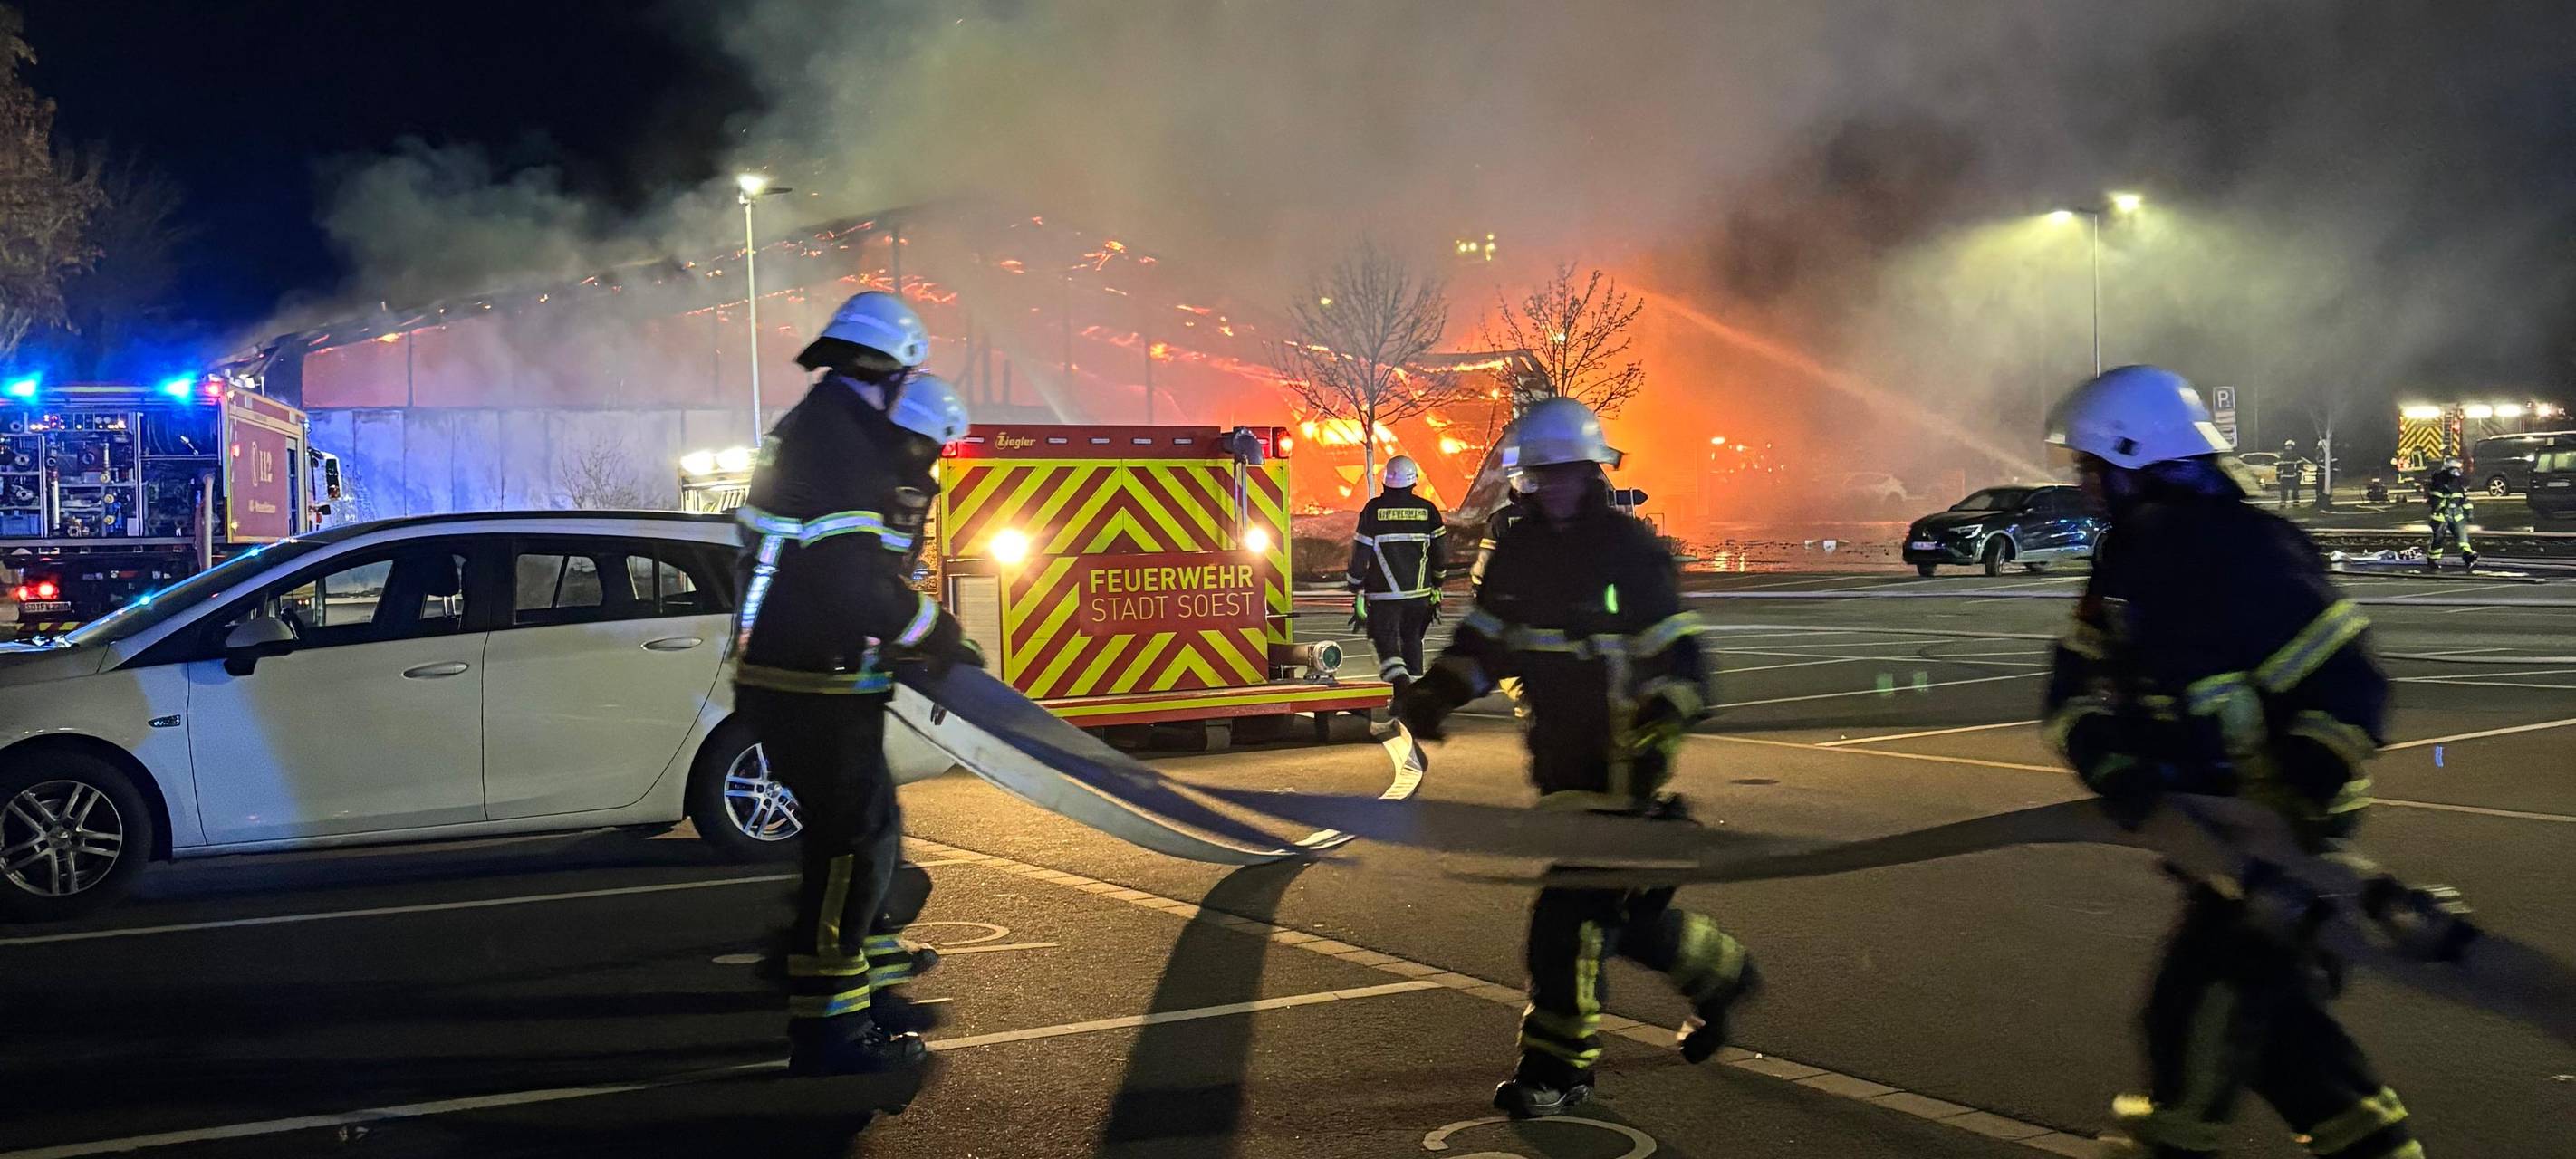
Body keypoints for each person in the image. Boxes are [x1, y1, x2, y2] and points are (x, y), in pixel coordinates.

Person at [2042, 366, 2417, 1159]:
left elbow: (2351, 687)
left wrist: (2296, 802)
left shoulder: (2251, 552)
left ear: (2135, 461)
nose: (2083, 487)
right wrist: (2108, 761)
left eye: (2090, 469)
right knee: (2284, 1044)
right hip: (2209, 839)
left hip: (2278, 840)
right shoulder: (2127, 562)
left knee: (2196, 1017)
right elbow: (2072, 683)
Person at [1396, 398, 1759, 1120]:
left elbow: (1682, 652)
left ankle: (1557, 1071)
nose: (1552, 486)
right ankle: (1724, 976)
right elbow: (1487, 643)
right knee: (1619, 920)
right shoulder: (1520, 554)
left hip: (1626, 761)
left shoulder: (1631, 552)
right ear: (1524, 479)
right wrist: (1439, 691)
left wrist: (1668, 708)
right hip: (1560, 766)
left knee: (1566, 921)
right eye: (1538, 475)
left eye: (1563, 472)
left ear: (1592, 469)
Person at [731, 291, 982, 1077]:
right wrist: (933, 631)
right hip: (811, 679)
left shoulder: (819, 427)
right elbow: (849, 583)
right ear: (885, 368)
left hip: (809, 672)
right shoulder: (840, 445)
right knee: (847, 854)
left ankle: (863, 989)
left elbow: (836, 573)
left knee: (869, 836)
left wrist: (899, 638)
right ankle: (831, 1031)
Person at [1347, 454, 1448, 690]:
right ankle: (1414, 694)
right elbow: (1440, 553)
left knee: (1385, 642)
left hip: (1384, 597)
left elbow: (1360, 552)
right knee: (1412, 640)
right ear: (1414, 482)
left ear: (1385, 481)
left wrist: (1355, 583)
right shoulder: (1428, 510)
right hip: (1419, 595)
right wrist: (1437, 582)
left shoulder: (1373, 510)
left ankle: (1401, 689)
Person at [1470, 483, 1536, 720]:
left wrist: (1478, 587)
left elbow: (1485, 562)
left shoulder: (1501, 519)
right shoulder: (1560, 515)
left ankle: (1524, 696)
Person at [2423, 458, 2476, 572]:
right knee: (2438, 538)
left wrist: (2469, 512)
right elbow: (2435, 500)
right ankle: (2433, 560)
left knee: (2462, 538)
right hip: (2441, 516)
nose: (2456, 472)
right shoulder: (2438, 482)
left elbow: (2464, 500)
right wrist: (2441, 507)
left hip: (2456, 515)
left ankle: (2468, 557)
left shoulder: (2457, 484)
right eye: (2454, 469)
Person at [2277, 439, 2302, 509]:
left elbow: (2300, 467)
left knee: (2291, 491)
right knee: (2291, 491)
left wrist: (2278, 476)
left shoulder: (2283, 455)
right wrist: (2299, 475)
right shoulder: (2296, 455)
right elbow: (2279, 467)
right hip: (2291, 476)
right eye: (2287, 446)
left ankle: (2288, 504)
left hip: (2289, 476)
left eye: (2289, 446)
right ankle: (2294, 505)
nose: (2287, 448)